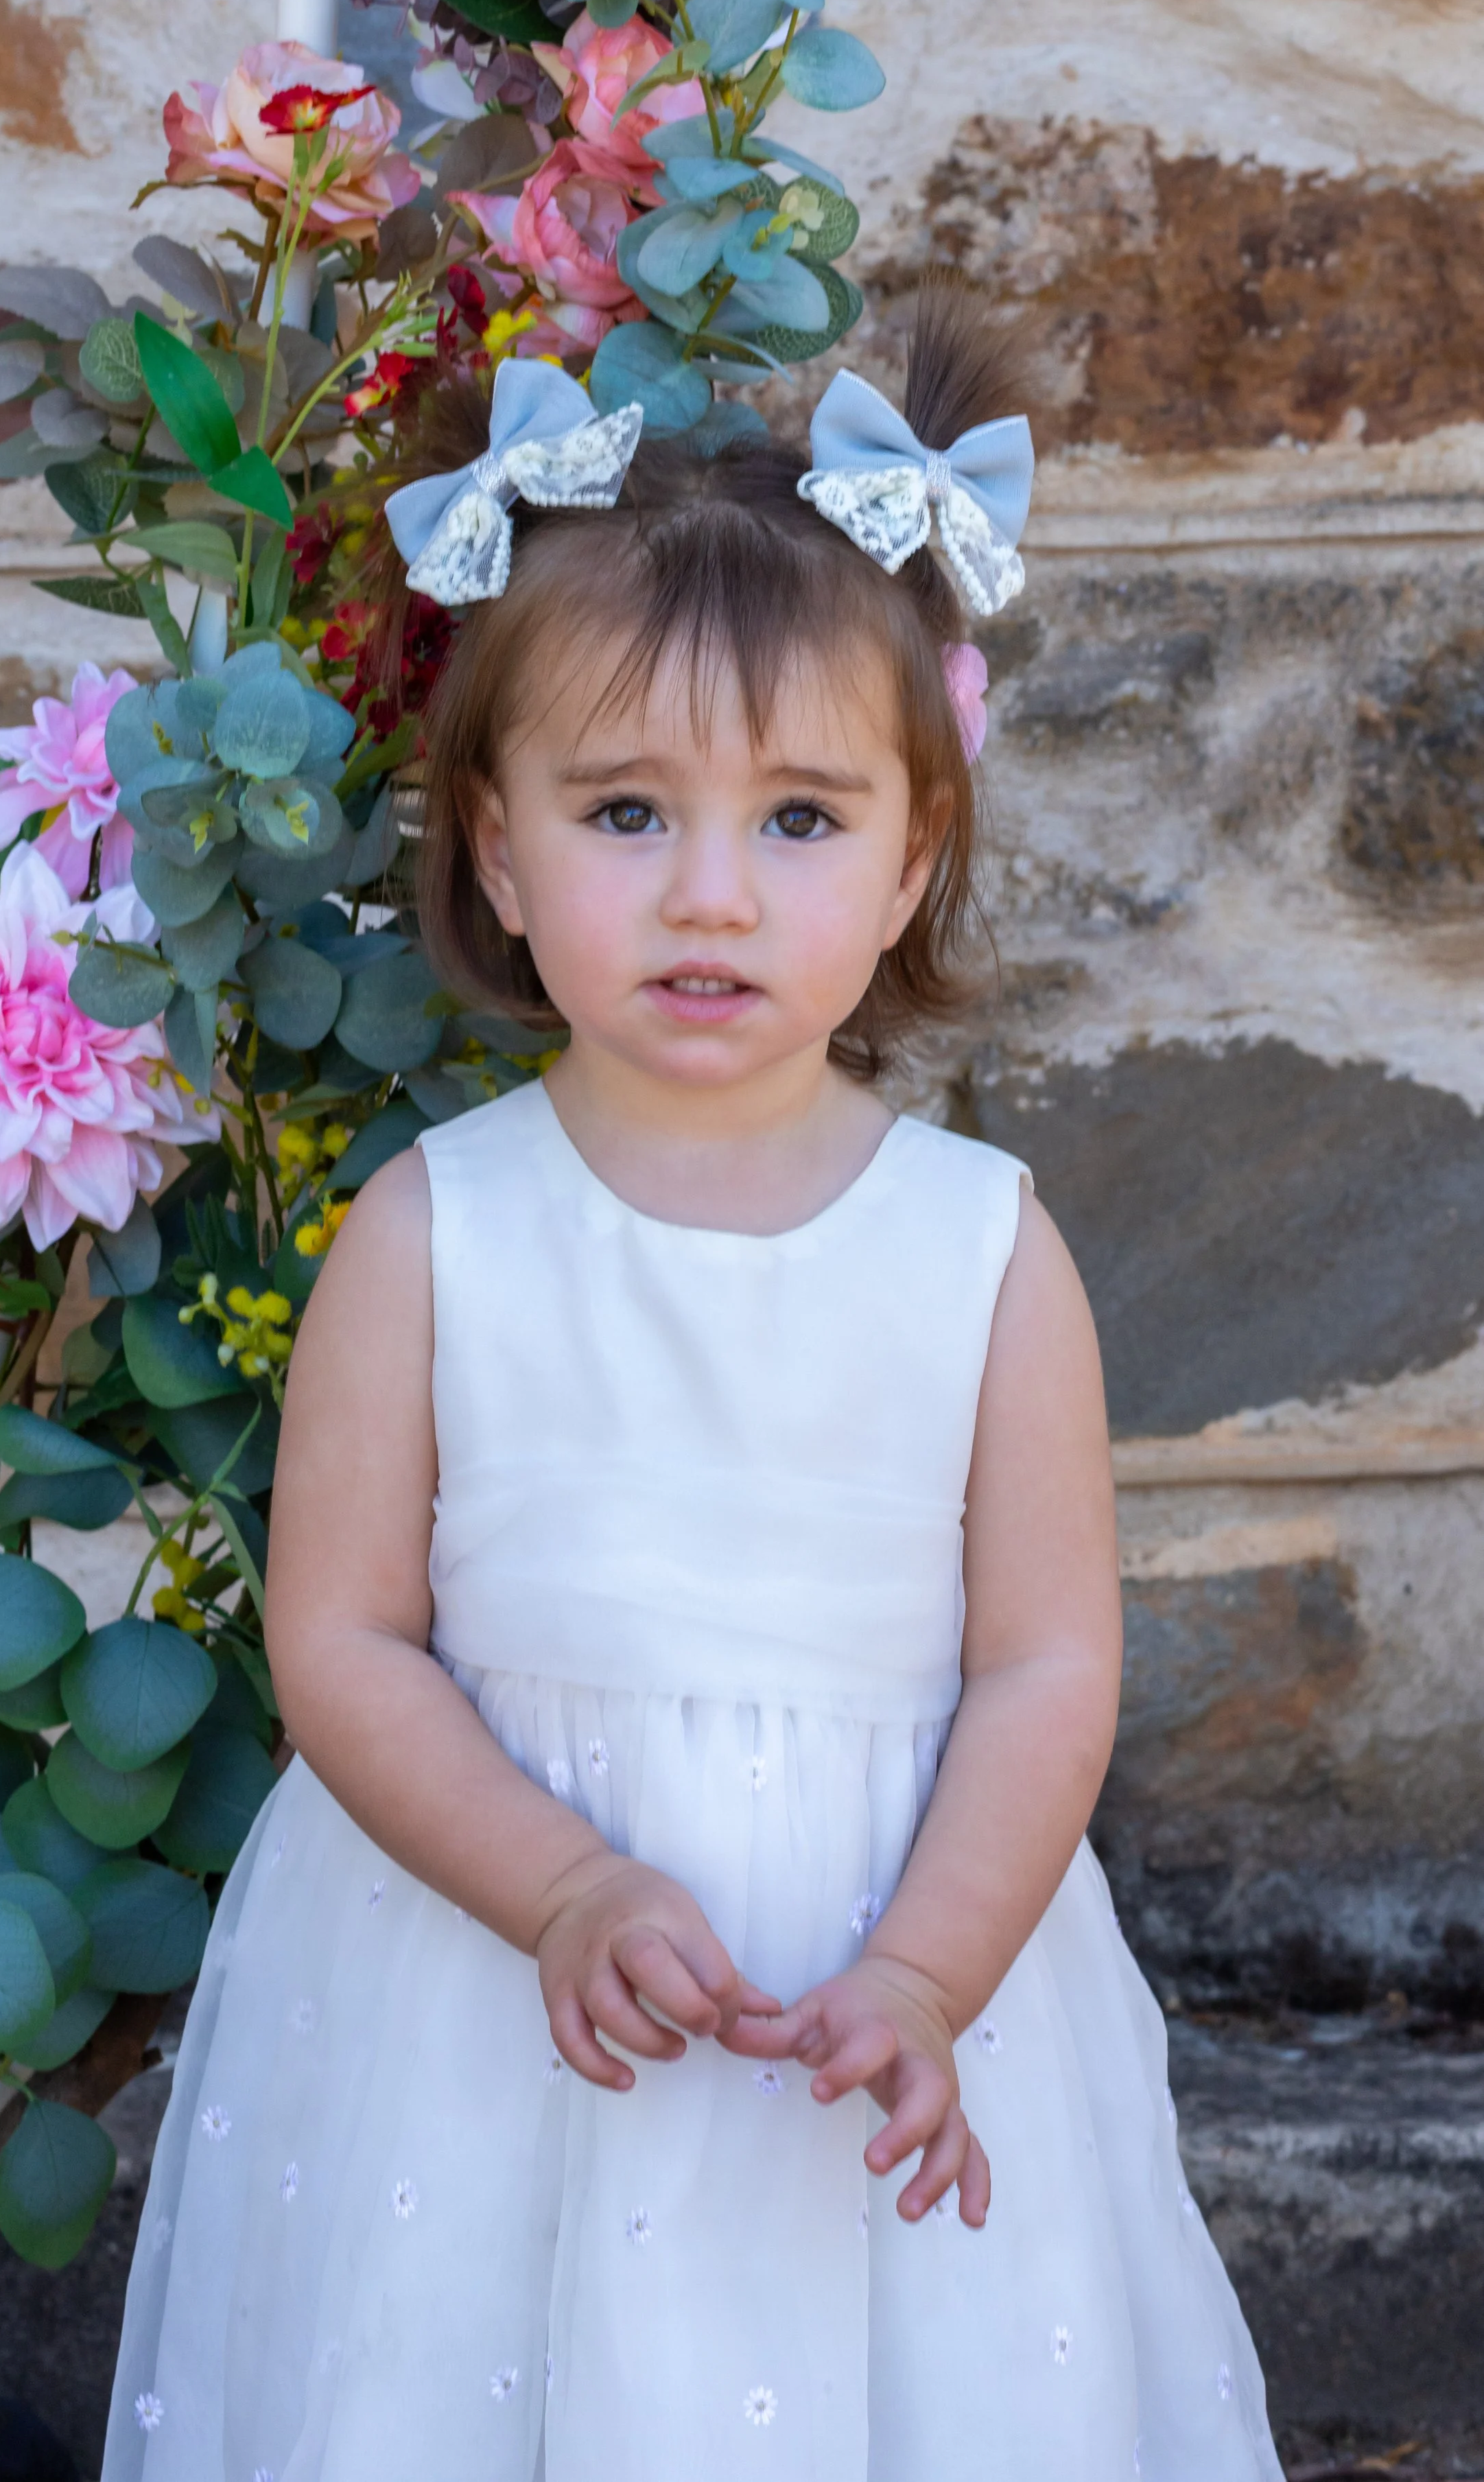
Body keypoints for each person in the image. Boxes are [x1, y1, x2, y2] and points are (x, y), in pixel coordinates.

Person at [103, 288, 1284, 2482]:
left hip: (877, 1984)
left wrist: (928, 1972)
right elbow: (340, 1638)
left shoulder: (979, 1253)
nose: (711, 891)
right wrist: (556, 1884)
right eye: (627, 811)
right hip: (484, 1991)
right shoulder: (435, 1233)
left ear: (916, 849)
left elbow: (1044, 1671)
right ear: (491, 848)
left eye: (803, 820)